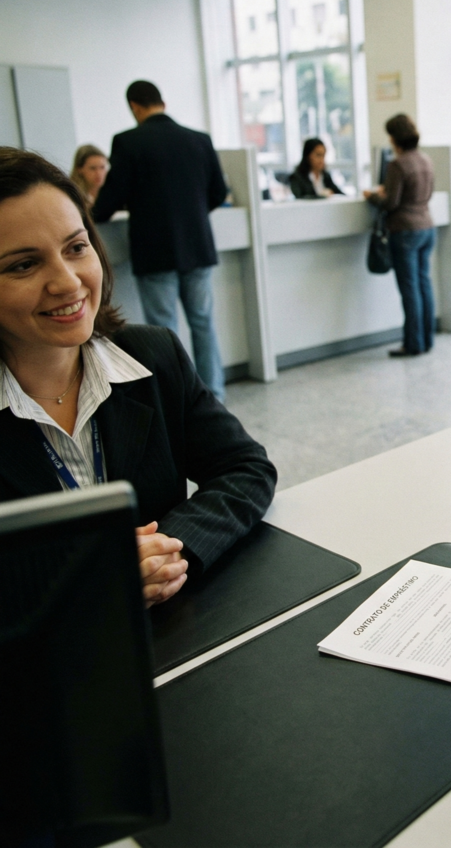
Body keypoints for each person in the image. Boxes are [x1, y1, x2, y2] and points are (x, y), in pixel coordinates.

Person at [0, 148, 276, 605]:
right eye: (23, 265)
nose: (68, 282)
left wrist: (167, 551)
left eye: (76, 247)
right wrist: (91, 578)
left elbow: (246, 468)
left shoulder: (152, 355)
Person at [93, 80, 228, 401]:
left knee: (165, 332)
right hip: (197, 247)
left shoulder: (128, 142)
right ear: (161, 102)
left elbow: (110, 200)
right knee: (204, 325)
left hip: (154, 250)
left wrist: (96, 210)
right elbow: (218, 192)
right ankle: (215, 396)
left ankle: (178, 399)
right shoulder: (199, 140)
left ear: (134, 107)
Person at [363, 114, 435, 358]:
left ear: (394, 137)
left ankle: (413, 344)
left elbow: (390, 203)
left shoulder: (398, 164)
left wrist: (372, 196)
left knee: (409, 289)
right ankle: (426, 340)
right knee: (424, 285)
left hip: (405, 230)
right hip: (427, 227)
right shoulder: (426, 160)